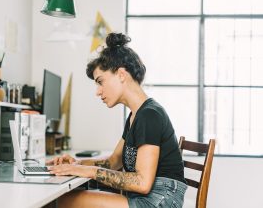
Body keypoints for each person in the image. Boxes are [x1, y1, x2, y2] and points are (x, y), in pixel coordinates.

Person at [47, 33, 187, 208]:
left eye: (100, 82)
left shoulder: (149, 115)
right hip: (149, 197)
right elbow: (114, 161)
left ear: (121, 74)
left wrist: (87, 171)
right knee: (64, 199)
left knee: (60, 201)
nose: (97, 92)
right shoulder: (135, 116)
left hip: (159, 201)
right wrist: (77, 164)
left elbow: (142, 183)